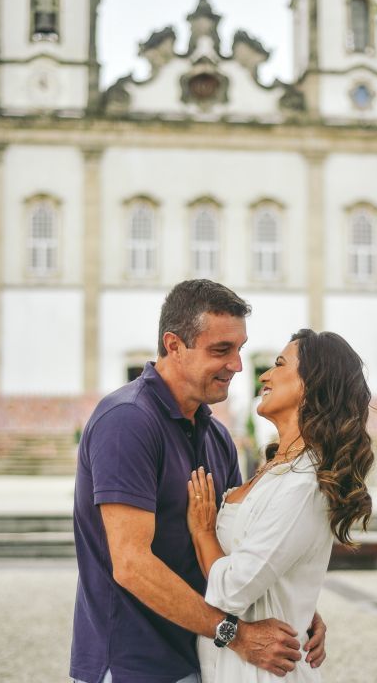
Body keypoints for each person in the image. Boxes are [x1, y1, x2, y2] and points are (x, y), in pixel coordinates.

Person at [70, 281, 327, 683]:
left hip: (199, 660)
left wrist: (297, 608)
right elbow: (131, 565)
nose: (238, 366)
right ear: (173, 346)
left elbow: (240, 547)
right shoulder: (127, 422)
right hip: (131, 665)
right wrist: (234, 633)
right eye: (220, 350)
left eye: (239, 349)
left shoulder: (217, 437)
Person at [187, 328, 375, 682]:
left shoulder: (303, 485)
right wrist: (302, 606)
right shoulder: (278, 470)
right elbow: (268, 565)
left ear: (311, 384)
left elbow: (230, 591)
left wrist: (202, 531)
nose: (264, 375)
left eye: (279, 364)